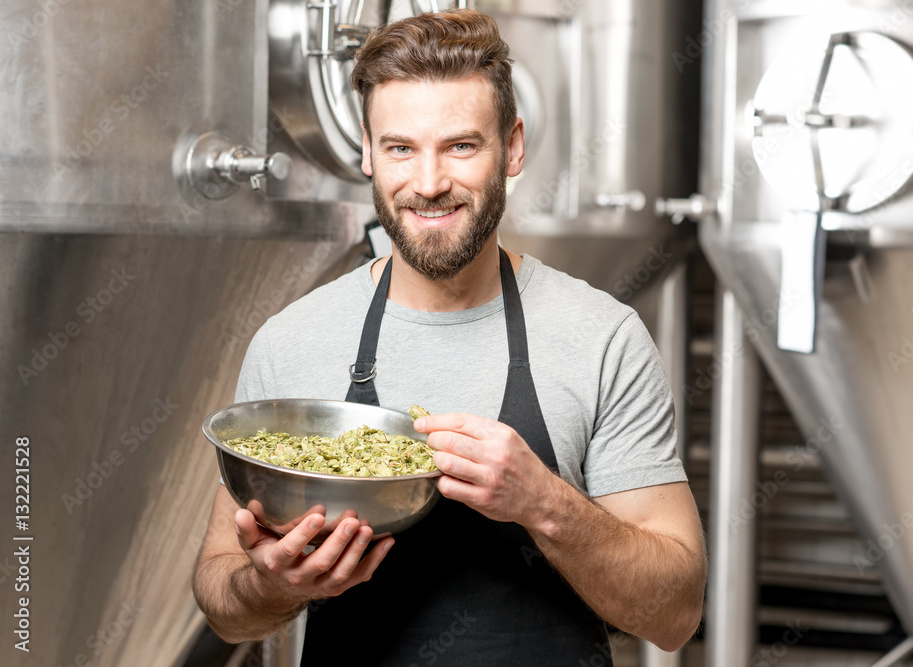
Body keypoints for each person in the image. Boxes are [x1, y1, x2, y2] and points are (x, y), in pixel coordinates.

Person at [193, 8, 706, 664]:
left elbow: (675, 614)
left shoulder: (603, 339)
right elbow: (221, 600)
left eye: (460, 145)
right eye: (400, 148)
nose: (429, 183)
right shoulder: (292, 342)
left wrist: (544, 502)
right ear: (367, 154)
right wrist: (272, 583)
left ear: (513, 146)